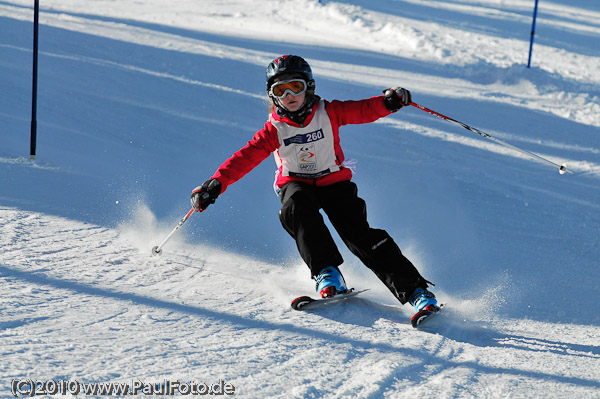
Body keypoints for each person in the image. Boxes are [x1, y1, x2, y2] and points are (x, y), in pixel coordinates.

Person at [191, 55, 438, 313]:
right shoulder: (274, 129)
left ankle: (416, 291)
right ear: (272, 95)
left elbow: (363, 110)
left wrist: (389, 103)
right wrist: (215, 184)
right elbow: (245, 157)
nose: (289, 95)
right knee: (295, 206)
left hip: (333, 181)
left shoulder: (329, 112)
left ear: (309, 86)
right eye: (280, 90)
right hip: (296, 183)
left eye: (295, 86)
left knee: (358, 235)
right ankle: (327, 273)